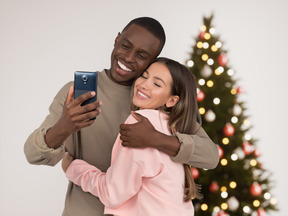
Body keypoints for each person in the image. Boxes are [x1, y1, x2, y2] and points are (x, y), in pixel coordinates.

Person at [24, 17, 219, 216]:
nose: (128, 58)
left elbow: (210, 156)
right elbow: (33, 154)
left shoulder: (157, 104)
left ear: (152, 60)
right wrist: (64, 126)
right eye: (125, 46)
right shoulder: (75, 94)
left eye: (142, 55)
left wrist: (156, 139)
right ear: (116, 40)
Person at [62, 57, 202, 216]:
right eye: (144, 76)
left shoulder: (139, 124)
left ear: (172, 100)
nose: (144, 85)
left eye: (156, 84)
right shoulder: (173, 126)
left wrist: (74, 168)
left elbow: (112, 193)